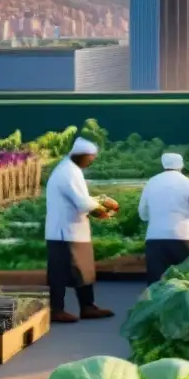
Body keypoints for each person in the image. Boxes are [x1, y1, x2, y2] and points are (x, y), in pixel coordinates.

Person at [44, 137, 115, 324]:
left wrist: (97, 202)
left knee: (83, 269)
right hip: (63, 232)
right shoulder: (68, 172)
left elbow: (82, 199)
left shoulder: (71, 169)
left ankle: (87, 306)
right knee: (60, 272)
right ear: (81, 155)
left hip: (73, 230)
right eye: (90, 157)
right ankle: (56, 310)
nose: (91, 161)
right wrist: (102, 209)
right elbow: (83, 202)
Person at [138, 153, 189, 283]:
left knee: (156, 283)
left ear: (163, 164)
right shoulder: (188, 183)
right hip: (185, 238)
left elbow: (142, 213)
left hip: (154, 238)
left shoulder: (151, 182)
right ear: (181, 165)